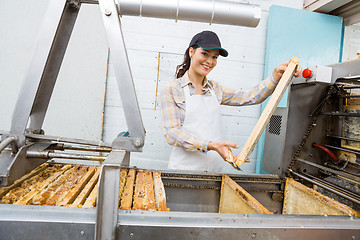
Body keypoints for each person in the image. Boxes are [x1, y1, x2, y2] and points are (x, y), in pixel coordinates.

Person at [160, 30, 301, 172]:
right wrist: (211, 145)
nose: (210, 61)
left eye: (214, 57)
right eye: (205, 54)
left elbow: (251, 96)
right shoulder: (172, 89)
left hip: (213, 171)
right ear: (191, 52)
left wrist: (276, 75)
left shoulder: (215, 89)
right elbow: (172, 133)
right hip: (183, 172)